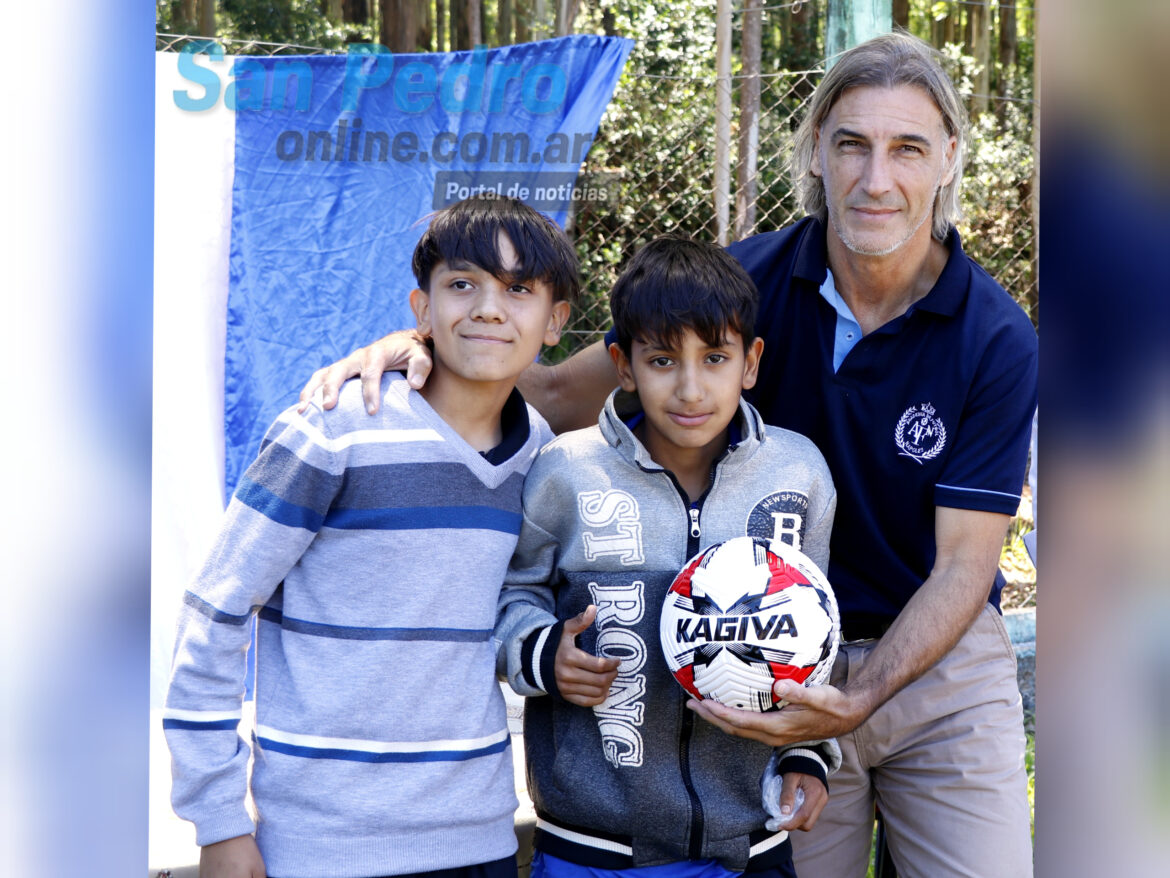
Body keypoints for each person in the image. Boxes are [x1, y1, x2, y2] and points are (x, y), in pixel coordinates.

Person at [300, 32, 1038, 878]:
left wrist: (857, 700)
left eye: (907, 148)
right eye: (852, 145)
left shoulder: (997, 340)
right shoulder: (739, 288)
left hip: (931, 661)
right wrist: (425, 340)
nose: (877, 179)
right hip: (748, 653)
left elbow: (962, 569)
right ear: (816, 154)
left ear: (948, 156)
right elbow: (548, 389)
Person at [163, 195, 579, 878]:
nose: (488, 308)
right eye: (463, 284)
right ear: (421, 310)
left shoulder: (540, 455)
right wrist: (217, 820)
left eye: (519, 290)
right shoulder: (333, 427)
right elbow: (216, 610)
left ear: (555, 321)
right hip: (322, 847)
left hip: (479, 842)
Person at [493, 236, 840, 877]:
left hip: (750, 846)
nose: (689, 388)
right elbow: (513, 594)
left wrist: (805, 756)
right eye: (661, 360)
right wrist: (545, 654)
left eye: (714, 358)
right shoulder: (566, 472)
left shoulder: (799, 475)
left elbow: (817, 644)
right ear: (623, 366)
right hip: (591, 846)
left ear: (752, 362)